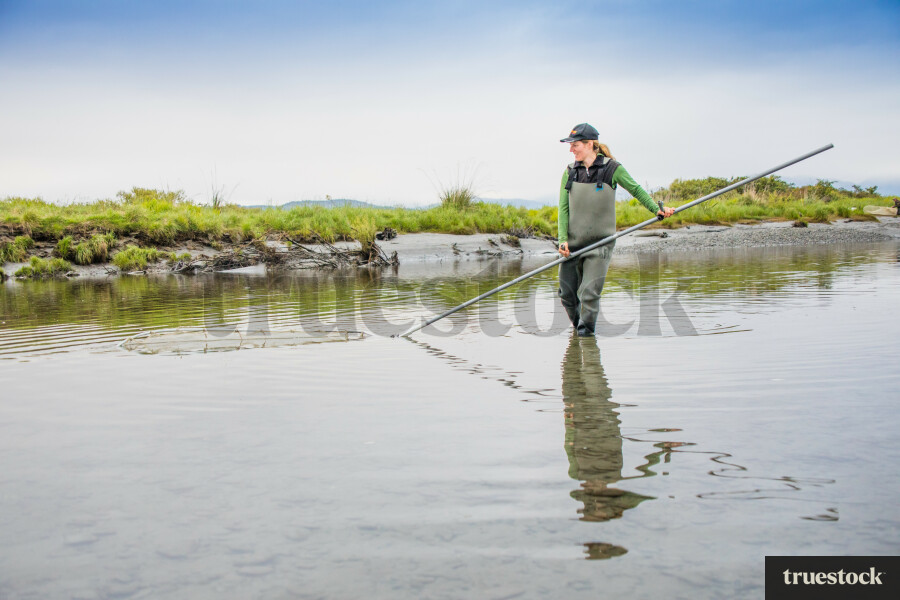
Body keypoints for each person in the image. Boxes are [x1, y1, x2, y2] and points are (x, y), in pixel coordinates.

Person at [557, 123, 674, 336]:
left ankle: (585, 339)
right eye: (570, 145)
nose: (571, 149)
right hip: (572, 245)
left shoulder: (612, 169)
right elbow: (563, 209)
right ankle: (580, 330)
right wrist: (562, 239)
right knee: (566, 294)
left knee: (589, 294)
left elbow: (636, 189)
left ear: (589, 144)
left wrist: (657, 209)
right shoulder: (569, 172)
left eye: (575, 145)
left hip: (600, 244)